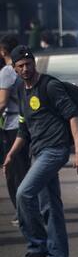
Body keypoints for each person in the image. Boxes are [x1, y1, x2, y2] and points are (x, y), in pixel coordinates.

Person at [2, 45, 78, 257]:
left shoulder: (50, 85)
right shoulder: (21, 89)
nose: (26, 69)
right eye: (20, 66)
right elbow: (24, 127)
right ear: (14, 68)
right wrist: (12, 153)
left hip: (55, 150)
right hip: (37, 152)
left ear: (34, 63)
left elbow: (73, 116)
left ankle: (37, 245)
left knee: (23, 193)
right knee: (50, 208)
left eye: (29, 64)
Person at [0, 35, 29, 227]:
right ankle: (29, 210)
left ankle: (22, 212)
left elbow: (2, 102)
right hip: (25, 124)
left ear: (3, 51)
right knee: (23, 169)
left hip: (12, 126)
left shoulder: (6, 71)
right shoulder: (24, 68)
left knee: (13, 172)